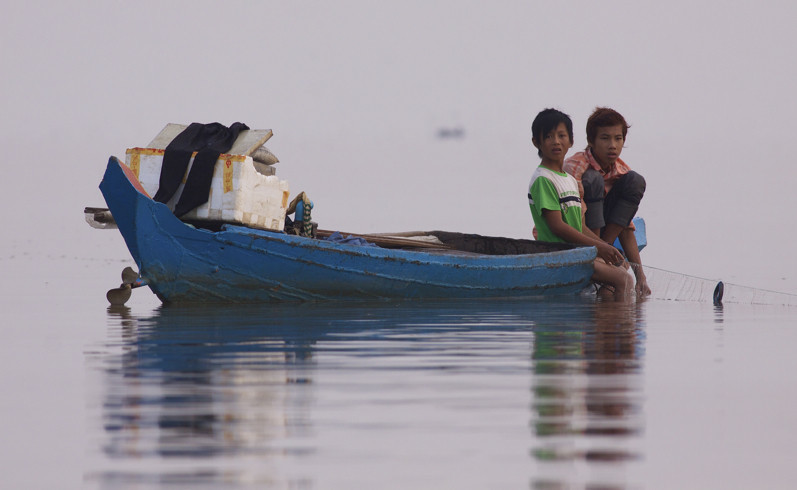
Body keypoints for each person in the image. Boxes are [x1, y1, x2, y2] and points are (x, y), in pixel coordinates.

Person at [527, 108, 633, 300]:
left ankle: (602, 325)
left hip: (576, 254)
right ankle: (615, 324)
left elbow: (580, 226)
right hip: (559, 256)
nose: (556, 141)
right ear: (537, 142)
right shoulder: (543, 179)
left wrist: (606, 247)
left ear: (571, 141)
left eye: (561, 135)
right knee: (623, 281)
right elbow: (558, 226)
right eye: (549, 136)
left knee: (616, 277)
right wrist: (599, 248)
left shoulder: (569, 179)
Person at [563, 108, 651, 296]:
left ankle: (603, 257)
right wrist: (605, 250)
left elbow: (625, 227)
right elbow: (574, 221)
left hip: (602, 239)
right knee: (593, 180)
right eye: (605, 138)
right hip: (575, 233)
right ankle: (601, 256)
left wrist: (640, 277)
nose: (612, 145)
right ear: (591, 141)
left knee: (635, 181)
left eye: (618, 139)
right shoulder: (575, 167)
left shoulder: (620, 170)